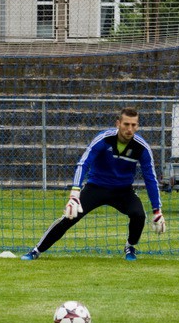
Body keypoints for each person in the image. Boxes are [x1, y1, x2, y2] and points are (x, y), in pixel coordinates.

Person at [21, 107, 165, 262]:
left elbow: (150, 178)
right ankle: (36, 250)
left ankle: (130, 246)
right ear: (118, 123)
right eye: (126, 124)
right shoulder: (103, 139)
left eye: (133, 125)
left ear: (137, 126)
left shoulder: (142, 148)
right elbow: (83, 163)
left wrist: (157, 210)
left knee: (138, 215)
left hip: (123, 191)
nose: (130, 129)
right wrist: (75, 192)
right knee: (69, 217)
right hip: (96, 187)